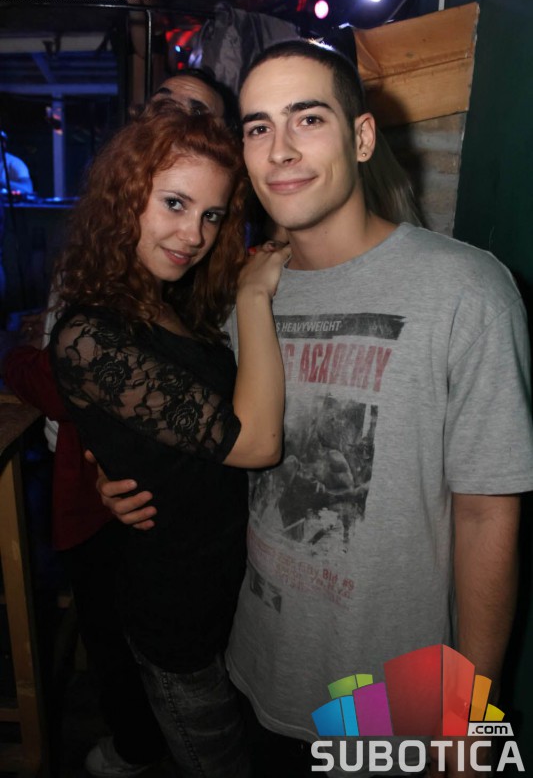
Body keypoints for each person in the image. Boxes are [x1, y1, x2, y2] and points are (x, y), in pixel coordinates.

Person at [100, 40, 533, 777]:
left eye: (307, 118)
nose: (280, 149)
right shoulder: (239, 298)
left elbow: (487, 516)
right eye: (258, 127)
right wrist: (124, 474)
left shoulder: (466, 290)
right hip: (257, 663)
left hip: (396, 695)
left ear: (361, 137)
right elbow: (217, 442)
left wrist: (468, 720)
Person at [3, 69, 237, 778]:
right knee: (115, 639)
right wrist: (102, 453)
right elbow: (75, 365)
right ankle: (137, 744)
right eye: (167, 107)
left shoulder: (201, 268)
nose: (178, 123)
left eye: (200, 116)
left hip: (180, 519)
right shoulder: (107, 258)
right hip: (112, 491)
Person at [48, 99, 290, 778]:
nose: (194, 234)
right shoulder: (89, 333)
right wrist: (254, 296)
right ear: (124, 199)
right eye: (175, 204)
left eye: (212, 215)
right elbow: (256, 443)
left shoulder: (167, 298)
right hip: (177, 615)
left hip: (232, 595)